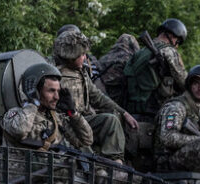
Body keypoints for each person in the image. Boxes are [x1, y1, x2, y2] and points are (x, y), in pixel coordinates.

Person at [53, 30, 139, 162]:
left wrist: (124, 113)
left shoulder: (81, 73)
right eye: (82, 54)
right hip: (66, 124)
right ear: (71, 56)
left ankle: (114, 162)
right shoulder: (56, 76)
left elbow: (98, 97)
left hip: (83, 120)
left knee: (111, 120)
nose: (85, 57)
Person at [1, 63, 93, 151]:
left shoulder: (56, 118)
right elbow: (20, 130)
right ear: (35, 91)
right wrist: (33, 102)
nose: (57, 97)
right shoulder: (14, 115)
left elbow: (86, 141)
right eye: (51, 91)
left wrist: (73, 113)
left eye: (58, 91)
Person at [123, 18, 188, 116]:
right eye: (177, 41)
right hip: (153, 110)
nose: (177, 46)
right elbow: (184, 82)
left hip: (131, 108)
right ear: (171, 36)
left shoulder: (140, 52)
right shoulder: (169, 51)